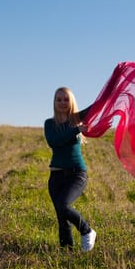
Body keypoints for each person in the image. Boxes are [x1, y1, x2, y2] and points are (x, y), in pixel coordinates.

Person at [44, 87, 96, 252]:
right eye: (58, 99)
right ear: (54, 102)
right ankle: (67, 254)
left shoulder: (77, 118)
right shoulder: (50, 124)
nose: (62, 102)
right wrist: (76, 130)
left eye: (66, 99)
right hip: (56, 176)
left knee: (63, 205)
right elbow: (55, 141)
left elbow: (97, 106)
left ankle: (87, 230)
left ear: (71, 101)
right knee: (62, 217)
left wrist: (115, 83)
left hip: (76, 174)